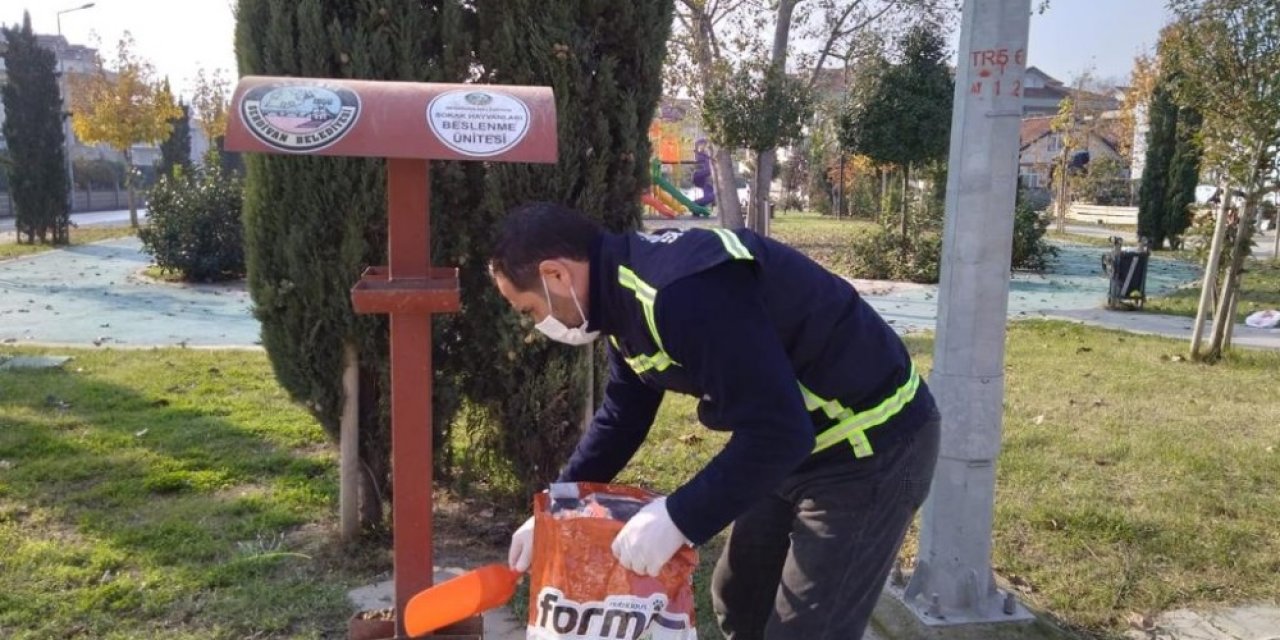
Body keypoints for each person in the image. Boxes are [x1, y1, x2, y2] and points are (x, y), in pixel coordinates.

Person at [490, 202, 940, 640]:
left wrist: (678, 516)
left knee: (808, 630)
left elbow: (780, 431)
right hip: (796, 444)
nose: (537, 324)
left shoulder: (676, 293)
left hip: (871, 447)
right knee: (740, 599)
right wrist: (558, 505)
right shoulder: (619, 302)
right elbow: (623, 414)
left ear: (556, 275)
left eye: (529, 309)